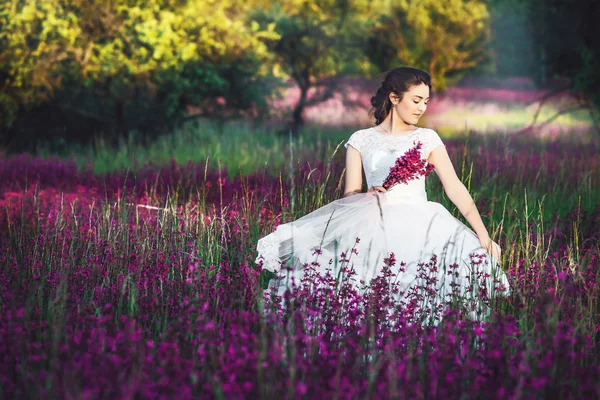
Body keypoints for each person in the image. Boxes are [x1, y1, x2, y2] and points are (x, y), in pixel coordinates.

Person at [256, 67, 510, 313]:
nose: (422, 107)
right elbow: (350, 194)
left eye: (426, 101)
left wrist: (483, 235)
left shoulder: (426, 137)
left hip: (422, 224)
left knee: (424, 288)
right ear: (394, 97)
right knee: (365, 291)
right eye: (417, 100)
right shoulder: (361, 139)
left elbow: (454, 187)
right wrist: (367, 195)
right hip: (371, 223)